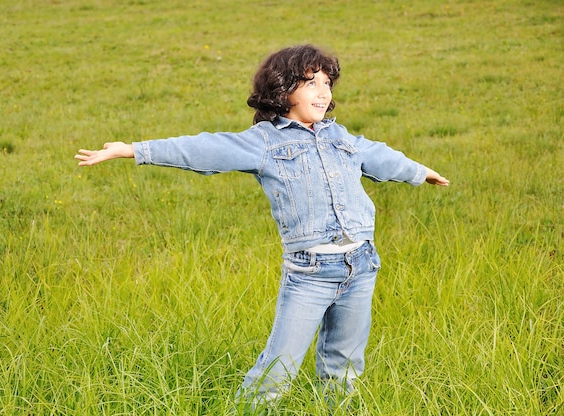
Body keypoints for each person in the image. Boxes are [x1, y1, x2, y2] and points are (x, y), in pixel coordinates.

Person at [75, 44, 449, 408]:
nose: (323, 92)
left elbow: (380, 155)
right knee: (277, 370)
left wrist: (420, 172)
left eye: (327, 83)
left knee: (345, 365)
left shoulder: (340, 136)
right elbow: (205, 149)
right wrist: (134, 149)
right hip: (311, 273)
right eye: (311, 83)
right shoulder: (265, 143)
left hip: (362, 265)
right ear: (284, 90)